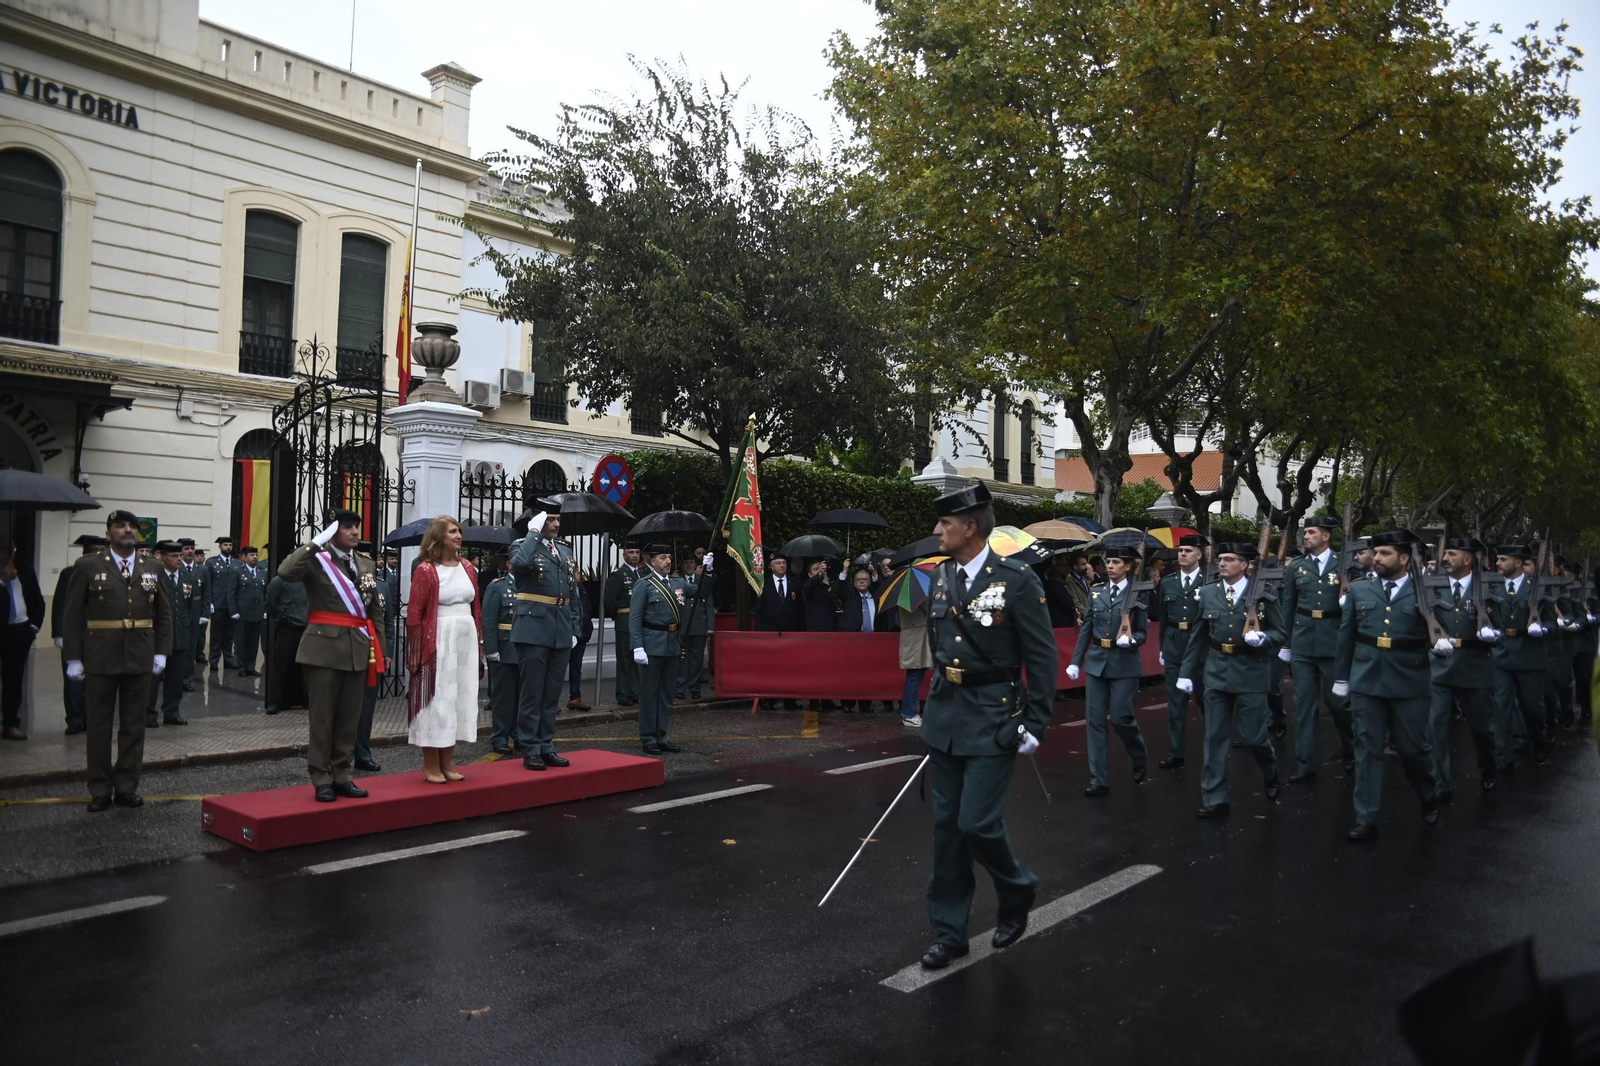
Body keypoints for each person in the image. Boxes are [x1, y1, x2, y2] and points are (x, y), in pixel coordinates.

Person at [917, 481, 1056, 971]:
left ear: (970, 527)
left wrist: (1036, 720)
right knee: (946, 831)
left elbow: (1041, 658)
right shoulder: (941, 577)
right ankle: (950, 933)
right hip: (946, 716)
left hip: (996, 718)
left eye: (945, 524)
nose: (937, 531)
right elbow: (940, 649)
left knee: (975, 822)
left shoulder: (1017, 579)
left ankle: (1017, 887)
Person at [1332, 529, 1444, 842]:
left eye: (1385, 554)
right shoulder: (1360, 589)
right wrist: (1341, 677)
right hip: (1367, 678)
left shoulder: (1427, 590)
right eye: (1376, 553)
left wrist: (1443, 642)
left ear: (1405, 559)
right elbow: (1347, 635)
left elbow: (1443, 626)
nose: (1376, 559)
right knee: (1367, 748)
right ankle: (1365, 817)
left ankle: (1427, 792)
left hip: (1410, 680)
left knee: (1412, 749)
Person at [62, 510, 173, 812]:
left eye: (132, 526)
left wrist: (162, 651)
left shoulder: (154, 566)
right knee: (98, 727)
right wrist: (73, 658)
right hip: (100, 657)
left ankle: (126, 785)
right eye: (120, 526)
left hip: (140, 655)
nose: (127, 530)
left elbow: (163, 614)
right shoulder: (87, 566)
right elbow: (72, 616)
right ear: (109, 532)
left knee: (134, 726)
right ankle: (99, 788)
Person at [278, 509, 388, 802]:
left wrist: (382, 651)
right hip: (323, 650)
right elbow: (285, 572)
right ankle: (322, 778)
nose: (354, 531)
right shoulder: (317, 561)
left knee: (348, 720)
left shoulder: (364, 563)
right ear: (332, 531)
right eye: (347, 527)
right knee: (323, 719)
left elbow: (374, 609)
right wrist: (315, 543)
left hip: (358, 648)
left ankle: (343, 775)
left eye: (356, 527)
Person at [1176, 542, 1283, 818]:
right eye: (1220, 559)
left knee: (1254, 737)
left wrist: (1264, 639)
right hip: (1217, 670)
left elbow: (1281, 633)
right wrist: (1186, 673)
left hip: (1251, 671)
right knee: (1214, 736)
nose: (1221, 563)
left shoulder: (1264, 594)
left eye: (1229, 559)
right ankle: (1215, 797)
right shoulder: (1209, 593)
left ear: (1245, 565)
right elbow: (1199, 635)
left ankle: (1270, 771)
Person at [406, 516, 483, 784]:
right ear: (439, 537)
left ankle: (448, 762)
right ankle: (431, 764)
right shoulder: (426, 570)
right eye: (453, 531)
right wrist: (416, 652)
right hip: (438, 641)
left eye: (459, 531)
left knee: (459, 698)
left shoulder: (468, 568)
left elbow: (477, 609)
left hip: (465, 639)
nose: (459, 535)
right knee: (437, 700)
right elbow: (414, 614)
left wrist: (481, 643)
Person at [1279, 517, 1357, 782]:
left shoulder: (1346, 565)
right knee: (1303, 705)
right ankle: (1305, 763)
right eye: (1305, 532)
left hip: (1334, 641)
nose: (1306, 536)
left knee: (1338, 704)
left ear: (1326, 536)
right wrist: (1285, 642)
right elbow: (1288, 605)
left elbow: (1357, 609)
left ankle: (1351, 748)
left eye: (1311, 532)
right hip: (1302, 642)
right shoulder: (1297, 568)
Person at [1067, 546, 1150, 796]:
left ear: (1128, 567)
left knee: (1121, 717)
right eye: (1109, 561)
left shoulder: (1138, 593)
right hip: (1096, 662)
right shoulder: (1096, 592)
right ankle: (1098, 779)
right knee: (1094, 722)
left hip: (1124, 663)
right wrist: (1075, 660)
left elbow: (1142, 632)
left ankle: (1138, 754)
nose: (1110, 566)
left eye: (1116, 562)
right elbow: (1087, 629)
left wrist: (1132, 640)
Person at [1428, 537, 1502, 798]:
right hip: (1441, 665)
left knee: (1482, 728)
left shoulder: (1488, 587)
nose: (1445, 558)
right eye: (1445, 553)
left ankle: (1488, 767)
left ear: (1468, 559)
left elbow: (1501, 626)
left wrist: (1493, 634)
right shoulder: (1433, 587)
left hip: (1475, 665)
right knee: (1435, 727)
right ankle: (1441, 782)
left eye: (1451, 553)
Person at [510, 506, 581, 771]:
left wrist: (574, 628)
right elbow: (521, 565)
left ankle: (546, 744)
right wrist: (533, 532)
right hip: (533, 629)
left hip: (560, 630)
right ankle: (530, 747)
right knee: (532, 694)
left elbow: (571, 592)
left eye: (558, 519)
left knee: (551, 695)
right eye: (550, 519)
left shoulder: (565, 551)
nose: (556, 524)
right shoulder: (522, 546)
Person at [1490, 544, 1551, 772]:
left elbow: (1552, 620)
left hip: (1529, 653)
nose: (1498, 563)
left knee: (1533, 707)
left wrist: (1543, 629)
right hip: (1501, 652)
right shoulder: (1492, 587)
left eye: (1503, 559)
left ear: (1517, 563)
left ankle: (1539, 740)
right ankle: (1502, 755)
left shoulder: (1538, 588)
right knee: (1500, 707)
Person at [1150, 534, 1208, 769]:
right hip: (1174, 645)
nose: (1182, 554)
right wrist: (1163, 647)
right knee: (1175, 704)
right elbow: (1163, 618)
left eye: (1188, 550)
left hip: (1201, 646)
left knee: (1207, 700)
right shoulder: (1168, 582)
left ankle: (1214, 744)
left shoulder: (1209, 582)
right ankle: (1177, 750)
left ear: (1199, 555)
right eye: (1181, 550)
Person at [630, 544, 684, 755]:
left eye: (669, 557)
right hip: (651, 646)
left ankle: (662, 736)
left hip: (672, 646)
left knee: (666, 695)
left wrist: (708, 571)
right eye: (663, 558)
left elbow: (700, 591)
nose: (668, 561)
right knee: (649, 694)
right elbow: (635, 619)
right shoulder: (644, 585)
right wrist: (638, 647)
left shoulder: (677, 583)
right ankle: (648, 738)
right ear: (652, 561)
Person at [52, 533, 105, 735]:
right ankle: (74, 718)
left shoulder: (107, 573)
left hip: (98, 636)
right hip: (74, 635)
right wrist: (59, 633)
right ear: (84, 553)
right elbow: (60, 605)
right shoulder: (69, 573)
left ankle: (92, 718)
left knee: (96, 681)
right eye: (95, 551)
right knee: (73, 680)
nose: (99, 554)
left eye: (102, 551)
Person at [0, 538, 45, 740]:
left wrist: (33, 627)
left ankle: (11, 724)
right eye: (3, 549)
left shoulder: (24, 570)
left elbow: (38, 601)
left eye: (10, 549)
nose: (8, 553)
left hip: (20, 632)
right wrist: (2, 580)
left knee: (14, 680)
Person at [482, 550, 519, 755]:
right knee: (503, 697)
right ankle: (500, 737)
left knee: (523, 696)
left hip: (526, 648)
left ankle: (519, 734)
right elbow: (489, 620)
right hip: (504, 649)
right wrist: (492, 650)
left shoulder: (530, 587)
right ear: (509, 565)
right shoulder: (498, 587)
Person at [153, 541, 191, 727]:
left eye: (180, 556)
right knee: (153, 679)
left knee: (176, 678)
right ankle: (148, 714)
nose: (179, 559)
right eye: (174, 556)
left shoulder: (186, 577)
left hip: (180, 633)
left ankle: (172, 711)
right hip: (158, 636)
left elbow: (189, 606)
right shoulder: (154, 577)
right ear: (162, 557)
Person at [603, 544, 644, 707]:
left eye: (637, 552)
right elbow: (609, 602)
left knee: (637, 659)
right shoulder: (619, 575)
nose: (634, 555)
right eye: (631, 552)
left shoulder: (641, 573)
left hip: (639, 622)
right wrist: (618, 617)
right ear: (624, 555)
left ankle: (635, 692)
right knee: (624, 659)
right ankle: (623, 694)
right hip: (624, 621)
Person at [263, 568, 307, 715]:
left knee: (306, 665)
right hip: (288, 627)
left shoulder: (308, 579)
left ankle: (305, 698)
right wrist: (280, 617)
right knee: (281, 665)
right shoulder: (280, 580)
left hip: (307, 627)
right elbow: (270, 604)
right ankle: (274, 701)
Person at [677, 554, 714, 702]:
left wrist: (710, 626)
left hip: (699, 625)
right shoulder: (677, 582)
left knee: (696, 660)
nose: (689, 565)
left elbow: (709, 605)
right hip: (682, 626)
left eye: (691, 562)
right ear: (682, 565)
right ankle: (679, 688)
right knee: (681, 659)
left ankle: (694, 688)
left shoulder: (702, 582)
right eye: (686, 562)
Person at [206, 535, 244, 673]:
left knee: (229, 635)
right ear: (220, 547)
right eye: (225, 545)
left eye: (230, 545)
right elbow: (208, 584)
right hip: (218, 603)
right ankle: (214, 660)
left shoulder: (238, 563)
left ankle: (229, 660)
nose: (228, 547)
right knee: (216, 634)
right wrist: (209, 602)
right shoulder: (211, 563)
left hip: (232, 605)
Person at [175, 538, 208, 692]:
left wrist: (205, 613)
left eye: (192, 548)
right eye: (186, 548)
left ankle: (187, 679)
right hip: (178, 614)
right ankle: (172, 677)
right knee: (176, 648)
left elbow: (206, 593)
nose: (190, 551)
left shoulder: (202, 570)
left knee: (190, 649)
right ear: (181, 550)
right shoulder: (176, 566)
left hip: (195, 614)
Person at [897, 594, 931, 728]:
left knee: (914, 675)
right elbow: (931, 610)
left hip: (914, 636)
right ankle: (909, 714)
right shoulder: (917, 595)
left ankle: (909, 712)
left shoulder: (904, 594)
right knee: (915, 676)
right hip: (916, 638)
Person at [234, 546, 267, 676]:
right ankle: (241, 666)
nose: (255, 557)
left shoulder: (262, 572)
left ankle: (250, 666)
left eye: (256, 554)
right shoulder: (238, 572)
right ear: (245, 557)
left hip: (257, 612)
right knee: (241, 642)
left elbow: (265, 593)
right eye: (252, 555)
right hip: (242, 613)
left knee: (254, 643)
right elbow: (232, 593)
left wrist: (265, 609)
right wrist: (233, 611)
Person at [567, 562, 595, 710]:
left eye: (578, 570)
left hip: (581, 634)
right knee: (556, 669)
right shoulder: (564, 588)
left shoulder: (582, 588)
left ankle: (575, 697)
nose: (578, 573)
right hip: (566, 633)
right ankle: (551, 701)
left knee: (576, 667)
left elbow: (587, 609)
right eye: (575, 571)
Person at [802, 558, 839, 631]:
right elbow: (809, 586)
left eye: (821, 568)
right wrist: (819, 575)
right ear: (809, 574)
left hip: (830, 629)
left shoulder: (826, 587)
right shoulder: (807, 586)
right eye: (816, 569)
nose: (819, 570)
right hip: (816, 630)